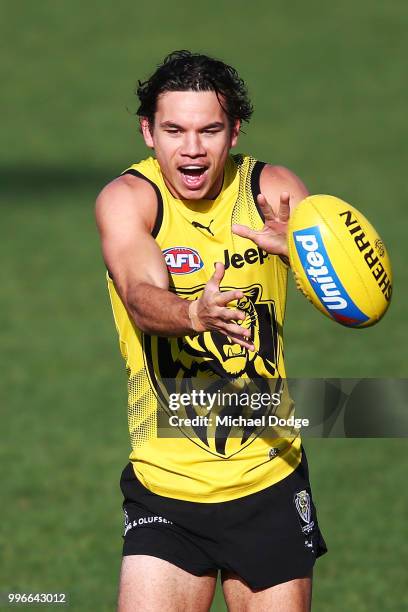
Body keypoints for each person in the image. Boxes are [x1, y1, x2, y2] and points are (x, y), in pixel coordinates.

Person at [96, 50, 327, 612]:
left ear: (235, 131)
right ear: (148, 132)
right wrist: (193, 314)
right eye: (174, 129)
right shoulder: (129, 201)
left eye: (209, 130)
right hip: (165, 489)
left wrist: (301, 256)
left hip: (268, 482)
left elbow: (350, 298)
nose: (192, 148)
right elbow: (140, 296)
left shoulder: (273, 193)